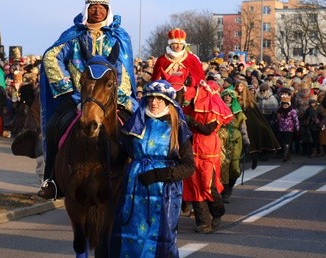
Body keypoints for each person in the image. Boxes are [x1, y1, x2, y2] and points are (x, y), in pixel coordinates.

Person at [38, 0, 136, 199]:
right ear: (86, 9)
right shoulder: (73, 36)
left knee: (136, 128)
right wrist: (66, 88)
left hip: (111, 97)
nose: (97, 10)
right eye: (93, 6)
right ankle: (52, 180)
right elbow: (50, 56)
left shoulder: (119, 37)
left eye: (102, 6)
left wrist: (119, 96)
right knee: (52, 127)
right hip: (78, 97)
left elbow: (125, 69)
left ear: (108, 10)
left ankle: (135, 179)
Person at [111, 80, 194, 257]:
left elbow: (189, 166)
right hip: (134, 188)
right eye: (150, 98)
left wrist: (159, 174)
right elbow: (120, 155)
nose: (154, 102)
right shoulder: (137, 123)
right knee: (130, 235)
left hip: (164, 191)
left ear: (167, 101)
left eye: (159, 98)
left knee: (162, 239)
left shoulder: (177, 126)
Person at [182, 80, 233, 234]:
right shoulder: (193, 107)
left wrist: (193, 122)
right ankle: (203, 222)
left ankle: (217, 212)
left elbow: (207, 130)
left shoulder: (214, 109)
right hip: (193, 148)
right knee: (194, 185)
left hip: (208, 149)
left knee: (207, 185)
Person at [151, 28, 205, 106]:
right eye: (175, 44)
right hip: (166, 89)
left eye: (180, 44)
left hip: (187, 90)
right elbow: (155, 79)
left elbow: (199, 78)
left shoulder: (191, 58)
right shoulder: (162, 59)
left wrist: (190, 80)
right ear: (170, 44)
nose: (178, 46)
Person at [235, 79, 280, 169]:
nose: (239, 88)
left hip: (248, 121)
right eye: (238, 86)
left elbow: (254, 113)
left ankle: (254, 157)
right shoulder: (234, 97)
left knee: (252, 137)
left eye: (241, 86)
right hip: (236, 121)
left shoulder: (248, 99)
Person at [218, 88, 250, 203]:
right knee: (222, 166)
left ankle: (230, 187)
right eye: (225, 95)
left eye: (229, 96)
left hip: (235, 141)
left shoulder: (238, 113)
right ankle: (224, 191)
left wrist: (246, 142)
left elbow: (243, 128)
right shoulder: (218, 110)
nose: (227, 97)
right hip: (220, 139)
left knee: (234, 167)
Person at [277, 95, 300, 162]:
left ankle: (285, 155)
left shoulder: (292, 111)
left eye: (286, 104)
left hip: (289, 129)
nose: (284, 106)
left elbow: (296, 120)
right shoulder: (279, 110)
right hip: (281, 129)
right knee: (282, 141)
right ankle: (287, 154)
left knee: (287, 141)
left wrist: (297, 128)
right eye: (283, 104)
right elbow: (278, 119)